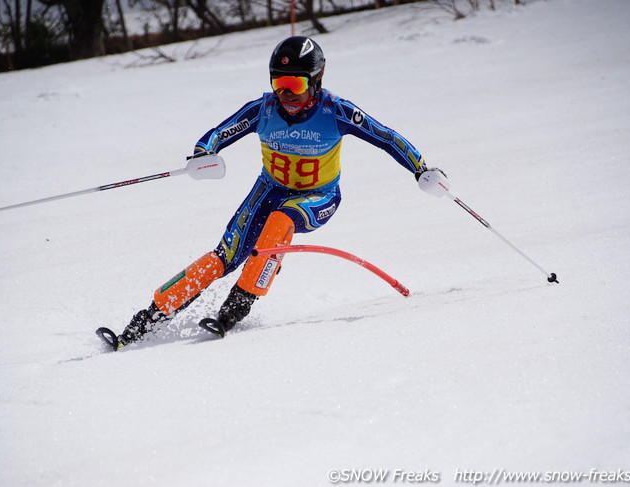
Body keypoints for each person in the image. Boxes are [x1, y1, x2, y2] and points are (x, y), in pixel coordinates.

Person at [116, 36, 445, 346]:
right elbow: (219, 133)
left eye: (296, 85)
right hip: (269, 190)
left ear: (316, 81)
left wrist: (420, 168)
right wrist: (204, 153)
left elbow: (385, 137)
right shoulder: (264, 109)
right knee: (224, 256)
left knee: (281, 222)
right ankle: (147, 319)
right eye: (279, 84)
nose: (286, 95)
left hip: (318, 196)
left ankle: (237, 306)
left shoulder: (337, 111)